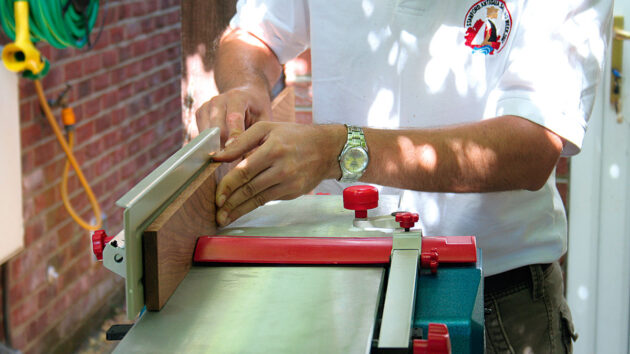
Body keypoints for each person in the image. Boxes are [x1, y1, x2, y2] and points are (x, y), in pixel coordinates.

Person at [196, 0, 612, 352]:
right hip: (343, 280)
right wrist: (246, 86)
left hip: (495, 300)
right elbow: (255, 35)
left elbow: (532, 146)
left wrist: (340, 150)